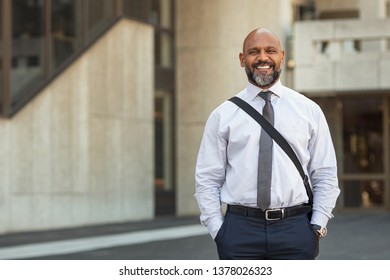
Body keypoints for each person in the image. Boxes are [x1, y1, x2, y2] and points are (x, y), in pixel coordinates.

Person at [194, 28, 340, 260]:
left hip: (295, 230)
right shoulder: (223, 115)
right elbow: (207, 178)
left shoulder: (309, 110)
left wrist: (317, 226)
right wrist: (218, 230)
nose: (262, 57)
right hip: (239, 232)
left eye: (270, 51)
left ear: (282, 56)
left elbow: (325, 173)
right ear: (242, 59)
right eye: (254, 52)